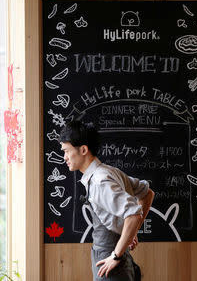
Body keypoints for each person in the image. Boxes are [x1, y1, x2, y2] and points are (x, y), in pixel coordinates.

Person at [59, 120, 155, 280]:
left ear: (83, 150)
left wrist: (115, 256)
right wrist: (131, 234)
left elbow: (133, 214)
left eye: (67, 151)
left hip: (112, 268)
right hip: (115, 263)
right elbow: (147, 194)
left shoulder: (100, 181)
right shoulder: (110, 171)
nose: (65, 157)